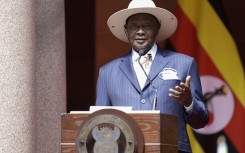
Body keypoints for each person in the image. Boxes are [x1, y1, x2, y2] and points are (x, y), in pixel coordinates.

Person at [95, 0, 209, 152]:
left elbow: (201, 121)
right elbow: (99, 125)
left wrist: (189, 102)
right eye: (134, 27)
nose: (140, 31)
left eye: (147, 26)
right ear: (126, 30)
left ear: (157, 29)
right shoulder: (107, 72)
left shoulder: (184, 64)